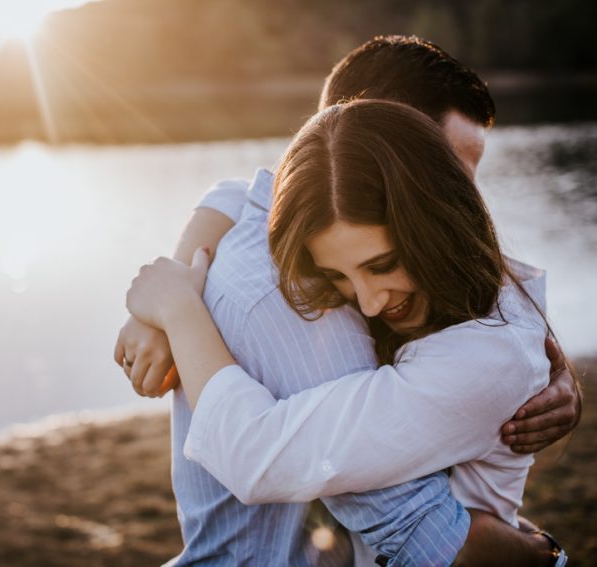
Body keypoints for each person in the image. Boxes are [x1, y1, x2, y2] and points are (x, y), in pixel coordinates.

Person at [114, 36, 580, 565]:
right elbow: (270, 460)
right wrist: (174, 300)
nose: (459, 198)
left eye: (464, 180)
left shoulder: (444, 303)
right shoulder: (303, 288)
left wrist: (546, 374)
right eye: (446, 168)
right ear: (378, 140)